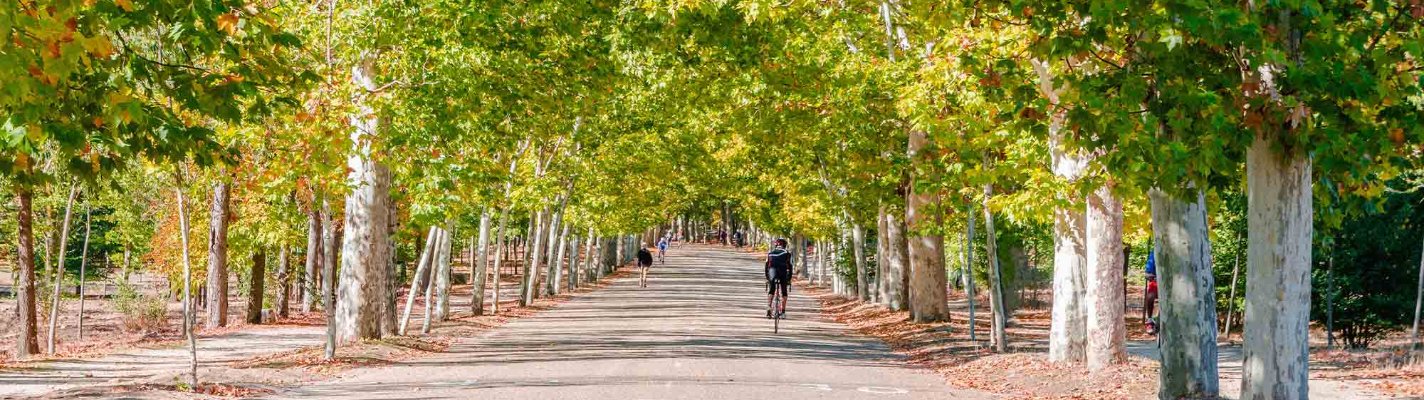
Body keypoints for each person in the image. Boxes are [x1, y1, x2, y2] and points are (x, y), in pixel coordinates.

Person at [765, 238, 794, 318]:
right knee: (784, 292)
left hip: (772, 272)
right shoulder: (788, 253)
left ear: (776, 245)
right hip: (782, 272)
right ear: (784, 246)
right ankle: (783, 312)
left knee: (771, 290)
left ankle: (769, 308)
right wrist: (789, 279)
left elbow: (766, 266)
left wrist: (768, 278)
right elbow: (790, 267)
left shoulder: (770, 253)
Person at [1144, 249, 1158, 335]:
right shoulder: (1154, 252)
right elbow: (1148, 272)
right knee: (1150, 296)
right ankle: (1149, 320)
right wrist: (1149, 275)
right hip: (1158, 281)